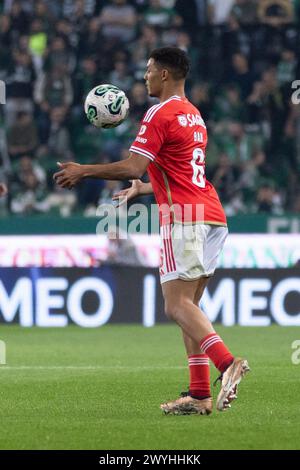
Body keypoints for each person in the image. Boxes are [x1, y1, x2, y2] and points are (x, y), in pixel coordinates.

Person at [54, 47, 250, 415]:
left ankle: (227, 365)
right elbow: (182, 170)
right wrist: (145, 188)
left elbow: (132, 165)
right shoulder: (194, 115)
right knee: (189, 307)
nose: (144, 77)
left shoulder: (159, 112)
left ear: (163, 74)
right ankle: (198, 395)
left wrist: (83, 170)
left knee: (176, 305)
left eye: (148, 70)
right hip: (211, 214)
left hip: (184, 217)